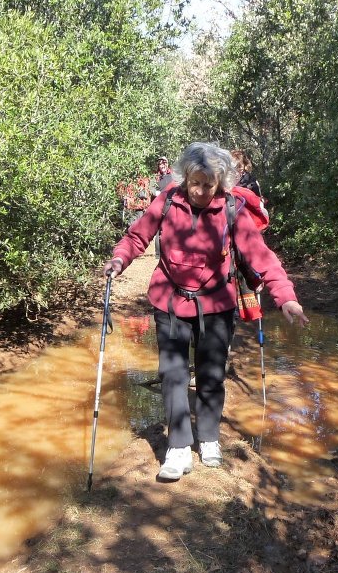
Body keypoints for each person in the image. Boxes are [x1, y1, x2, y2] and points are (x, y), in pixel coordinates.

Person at [102, 142, 309, 481]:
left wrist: (286, 298)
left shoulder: (232, 210)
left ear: (220, 182)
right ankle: (178, 447)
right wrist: (119, 260)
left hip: (217, 305)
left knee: (212, 374)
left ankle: (209, 438)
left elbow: (262, 257)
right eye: (195, 182)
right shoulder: (167, 200)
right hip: (169, 300)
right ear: (185, 177)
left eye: (208, 185)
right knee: (173, 374)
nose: (200, 191)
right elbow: (136, 237)